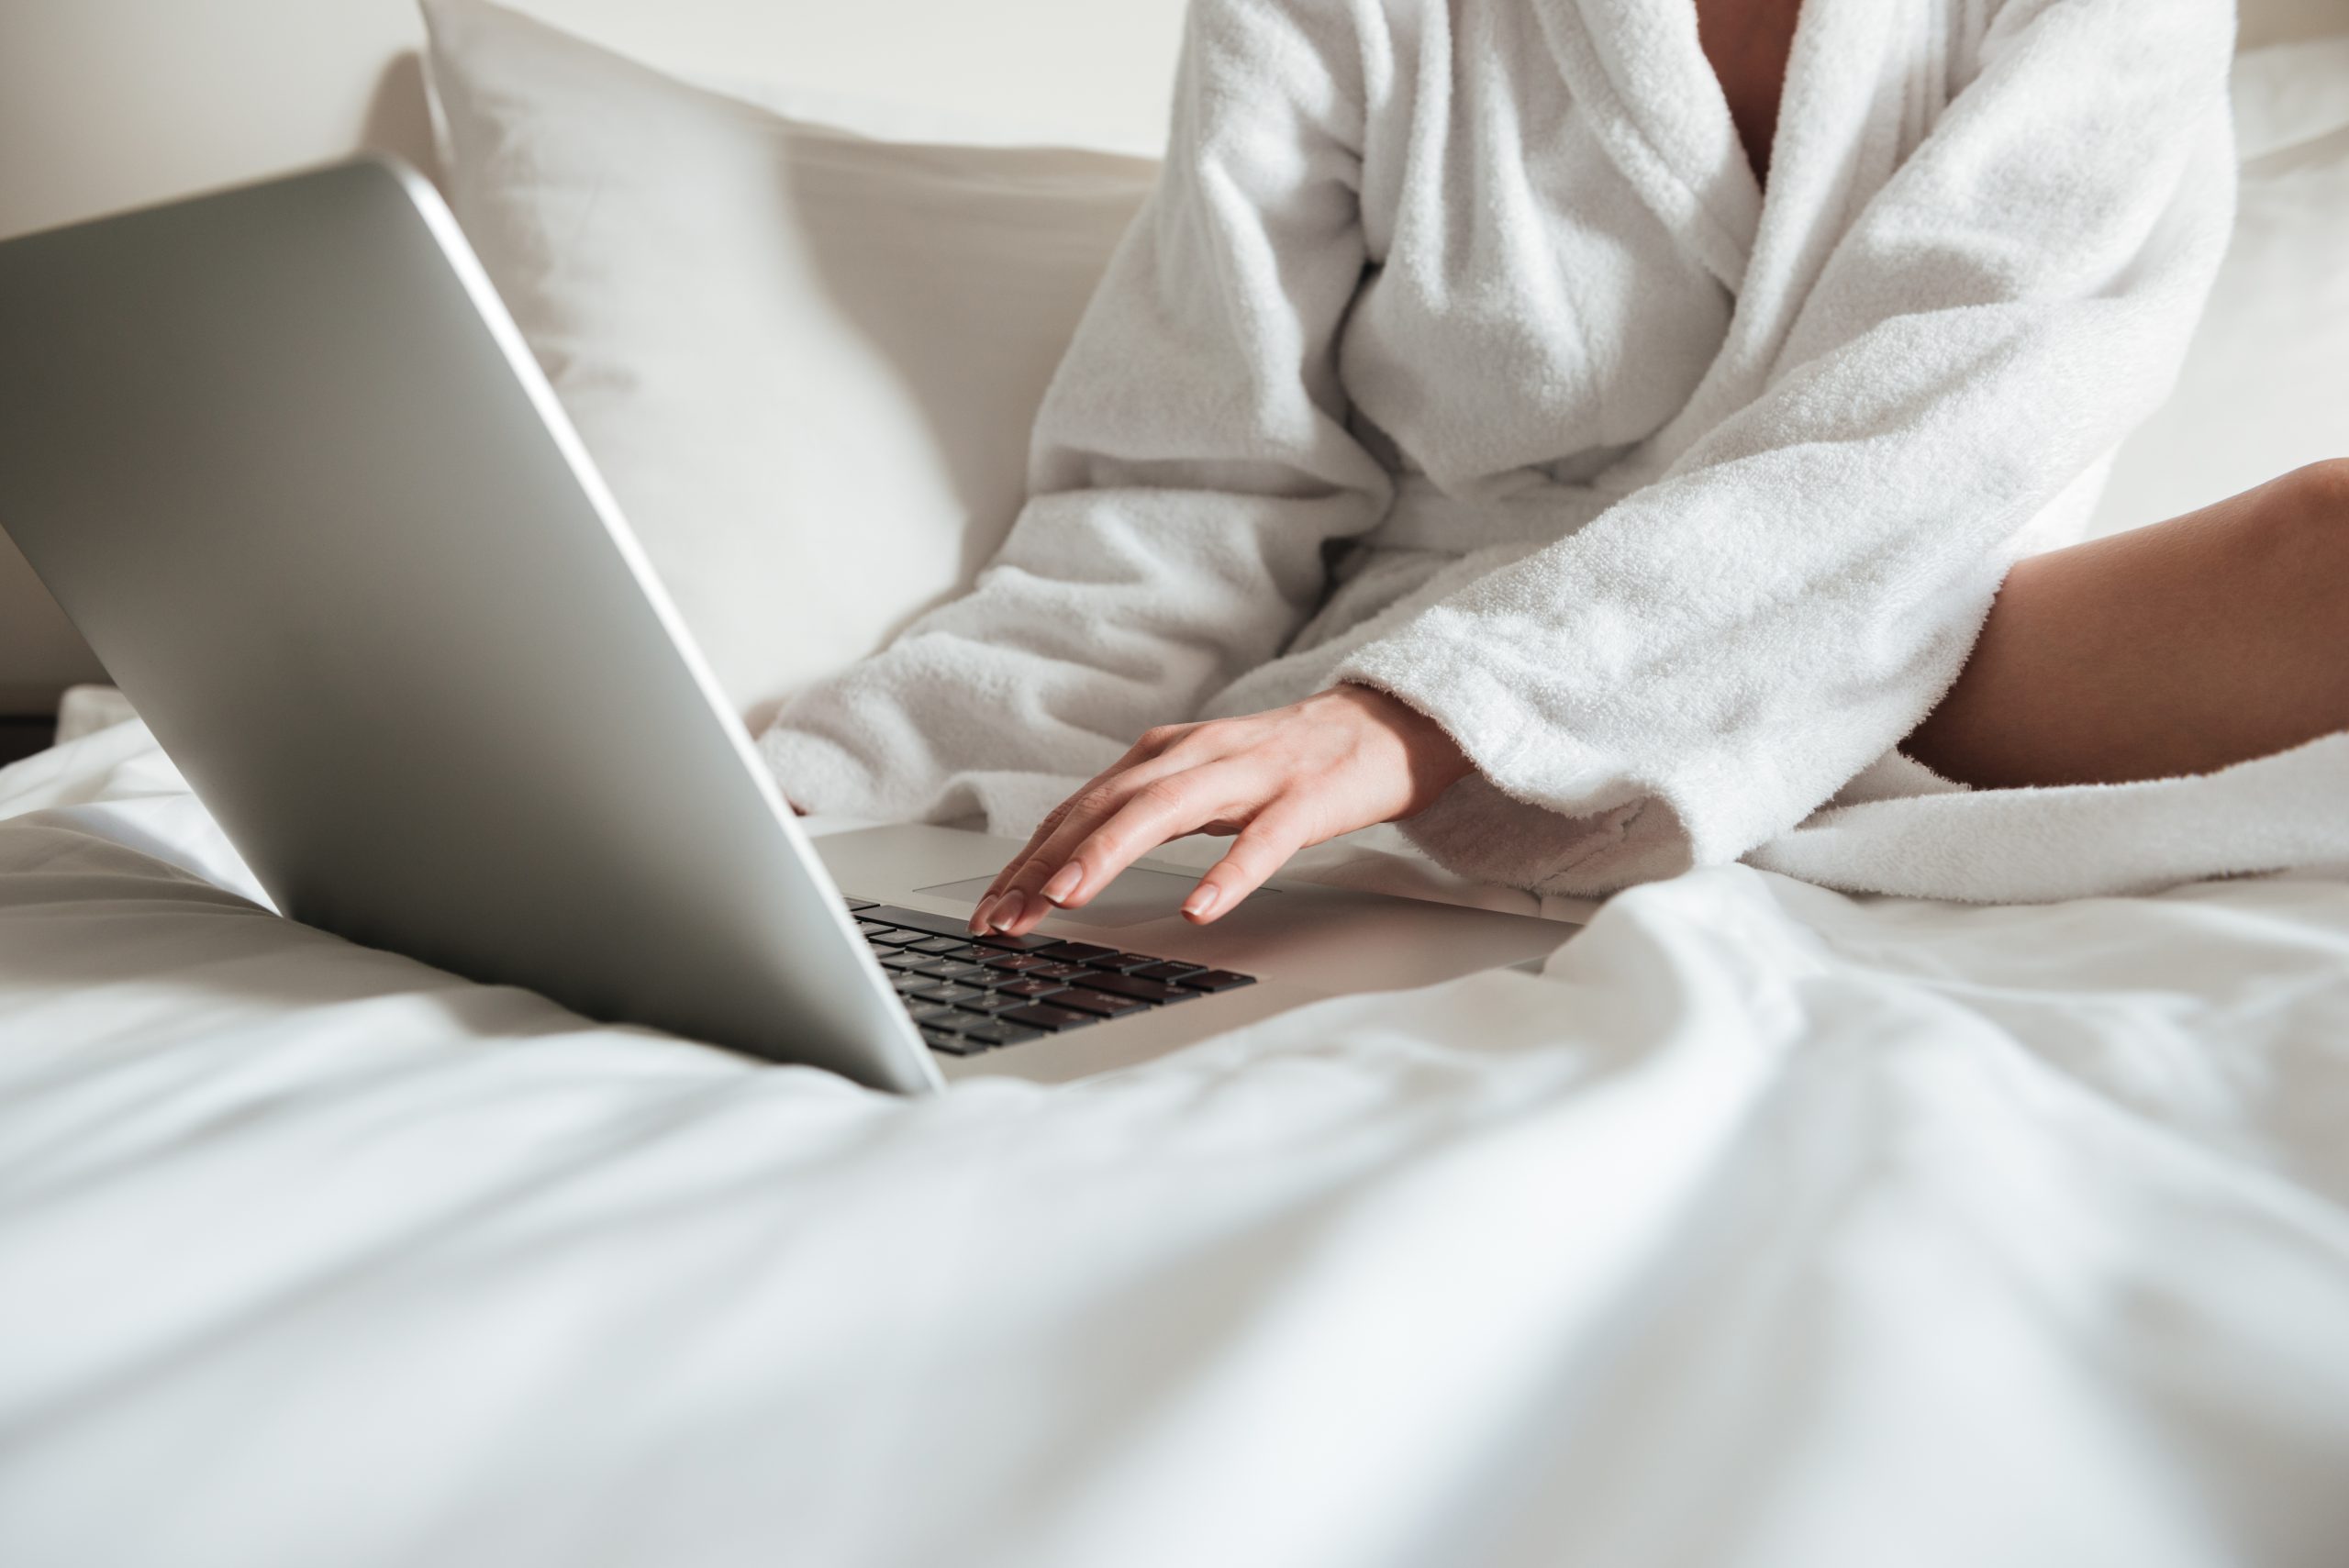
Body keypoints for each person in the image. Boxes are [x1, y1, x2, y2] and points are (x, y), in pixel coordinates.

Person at [764, 0, 2348, 932]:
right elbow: (1195, 479)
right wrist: (831, 782)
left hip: (1894, 607)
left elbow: (1946, 422)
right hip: (1382, 684)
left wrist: (1445, 710)